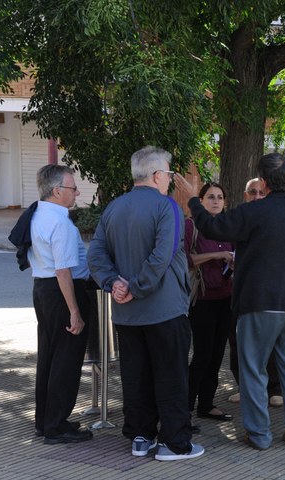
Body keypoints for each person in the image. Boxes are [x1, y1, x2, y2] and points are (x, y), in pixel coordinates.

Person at [174, 153, 285, 451]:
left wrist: (193, 199)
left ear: (264, 181)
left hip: (258, 303)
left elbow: (212, 227)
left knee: (253, 369)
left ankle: (259, 435)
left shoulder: (254, 212)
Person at [88, 146, 203, 461]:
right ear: (156, 175)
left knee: (135, 377)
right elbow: (162, 257)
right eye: (168, 173)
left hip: (126, 313)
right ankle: (175, 443)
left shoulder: (114, 208)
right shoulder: (167, 207)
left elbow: (95, 254)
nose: (169, 179)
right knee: (171, 376)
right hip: (164, 309)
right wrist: (135, 287)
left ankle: (140, 436)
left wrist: (114, 284)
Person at [26, 164, 93, 444]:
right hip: (62, 292)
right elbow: (63, 270)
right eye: (72, 187)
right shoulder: (60, 222)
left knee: (50, 357)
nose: (76, 192)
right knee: (66, 359)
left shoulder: (37, 213)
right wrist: (75, 311)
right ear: (57, 191)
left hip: (43, 290)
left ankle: (46, 420)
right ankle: (56, 425)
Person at [227, 177, 284, 408]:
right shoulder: (237, 218)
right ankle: (244, 386)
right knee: (237, 342)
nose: (257, 196)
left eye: (261, 192)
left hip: (266, 293)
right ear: (244, 194)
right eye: (252, 192)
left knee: (270, 343)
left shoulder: (273, 219)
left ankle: (275, 388)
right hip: (236, 291)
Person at [185, 182, 235, 422]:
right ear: (201, 201)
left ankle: (206, 404)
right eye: (211, 197)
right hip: (201, 299)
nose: (216, 201)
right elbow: (184, 259)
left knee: (216, 355)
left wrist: (233, 262)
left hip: (226, 298)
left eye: (220, 197)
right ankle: (184, 406)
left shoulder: (228, 228)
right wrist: (216, 255)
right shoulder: (190, 226)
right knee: (202, 354)